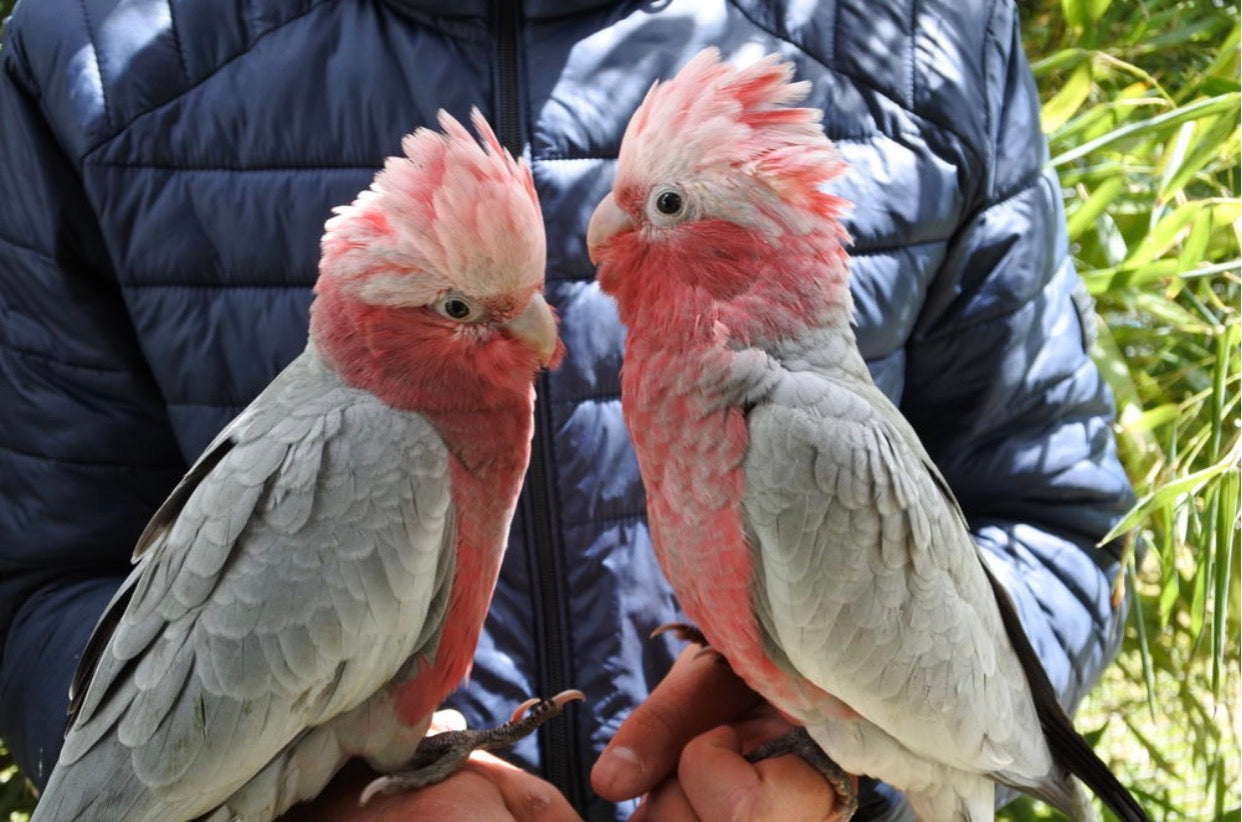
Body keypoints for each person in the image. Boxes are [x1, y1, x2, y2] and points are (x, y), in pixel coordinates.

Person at [0, 0, 1135, 819]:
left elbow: (1055, 520)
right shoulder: (86, 57)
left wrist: (828, 726)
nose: (593, 258)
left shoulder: (930, 32)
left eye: (666, 208)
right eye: (468, 310)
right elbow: (45, 582)